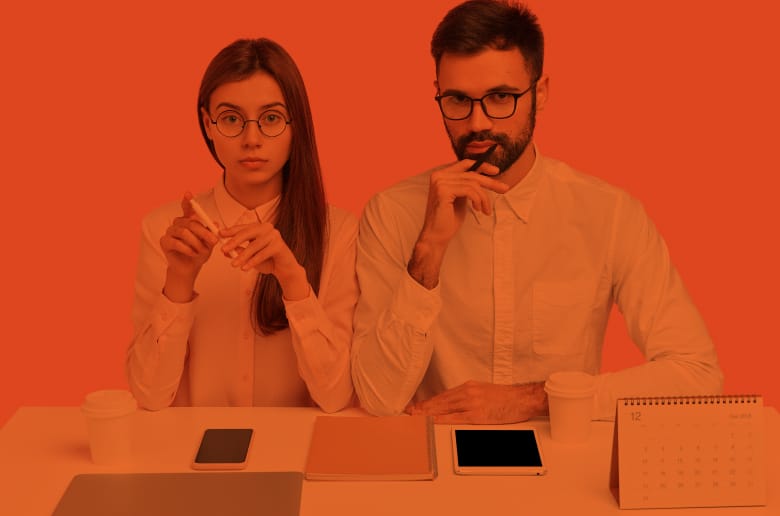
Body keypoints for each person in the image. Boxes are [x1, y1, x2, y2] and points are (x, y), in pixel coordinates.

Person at [351, 0, 722, 423]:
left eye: (500, 98)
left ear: (540, 93)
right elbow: (379, 397)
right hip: (434, 456)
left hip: (565, 460)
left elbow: (697, 375)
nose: (476, 123)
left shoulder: (610, 213)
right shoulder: (392, 213)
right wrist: (429, 253)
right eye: (457, 99)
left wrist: (536, 398)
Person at [127, 38, 357, 413]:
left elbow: (334, 397)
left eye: (271, 119)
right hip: (187, 458)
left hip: (294, 457)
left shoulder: (340, 232)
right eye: (232, 119)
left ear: (295, 125)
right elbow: (148, 396)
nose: (252, 140)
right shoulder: (164, 232)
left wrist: (293, 280)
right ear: (208, 124)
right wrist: (179, 282)